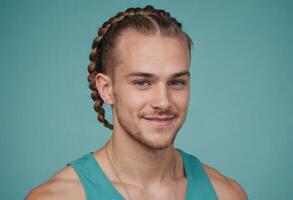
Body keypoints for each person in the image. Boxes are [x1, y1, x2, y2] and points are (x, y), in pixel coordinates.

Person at [26, 5, 248, 200]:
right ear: (106, 89)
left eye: (177, 82)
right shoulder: (58, 197)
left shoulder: (226, 194)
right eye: (142, 82)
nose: (163, 102)